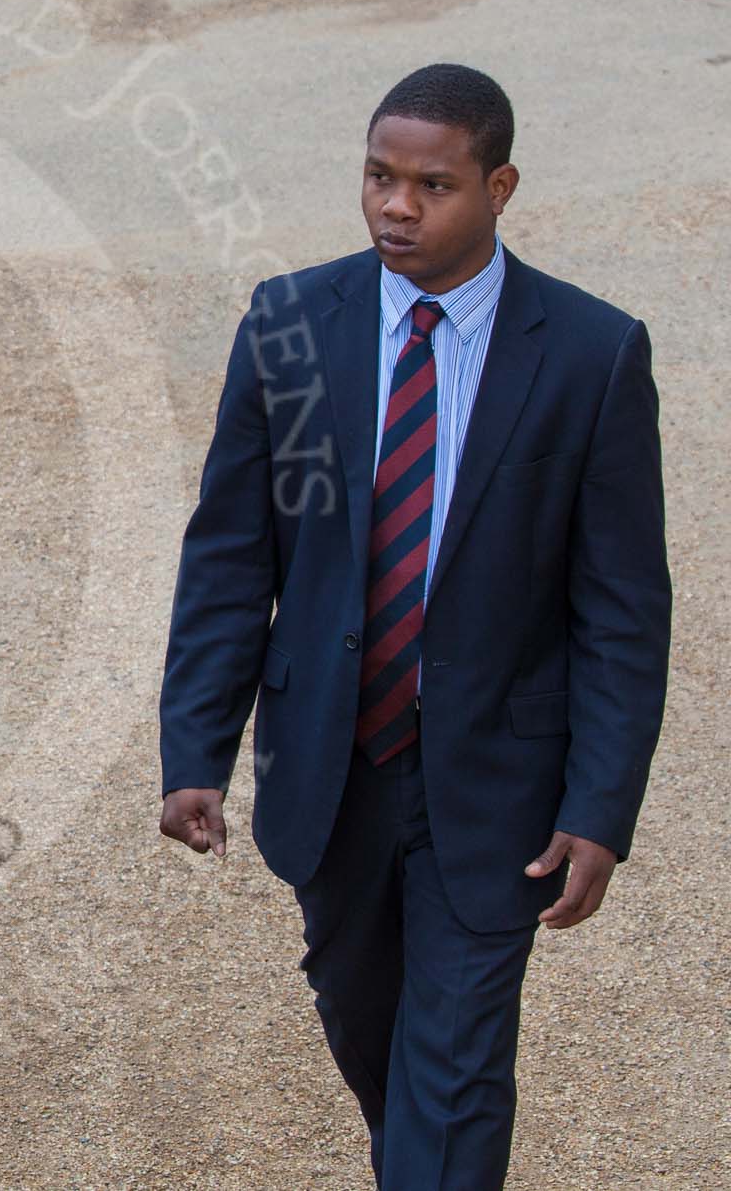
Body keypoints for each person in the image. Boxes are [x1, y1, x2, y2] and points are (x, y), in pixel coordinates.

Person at [158, 63, 670, 1189]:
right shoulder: (287, 323)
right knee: (367, 1029)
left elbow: (624, 611)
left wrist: (599, 807)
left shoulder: (590, 355)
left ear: (498, 186)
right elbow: (231, 555)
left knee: (455, 1065)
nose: (396, 205)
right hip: (329, 769)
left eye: (431, 185)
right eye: (378, 177)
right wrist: (193, 748)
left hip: (495, 788)